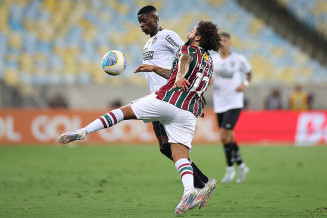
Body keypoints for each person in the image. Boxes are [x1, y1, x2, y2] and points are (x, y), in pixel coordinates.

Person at [58, 21, 222, 215]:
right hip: (188, 112)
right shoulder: (209, 62)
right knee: (180, 157)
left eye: (193, 30)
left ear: (198, 37)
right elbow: (178, 74)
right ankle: (190, 190)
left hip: (167, 100)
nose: (189, 31)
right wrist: (156, 69)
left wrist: (179, 77)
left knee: (122, 113)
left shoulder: (188, 49)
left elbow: (183, 62)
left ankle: (83, 131)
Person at [135, 5, 215, 202]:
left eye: (144, 21)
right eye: (139, 22)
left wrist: (183, 78)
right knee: (164, 147)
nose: (142, 25)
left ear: (155, 18)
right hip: (157, 96)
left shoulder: (167, 35)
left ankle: (201, 184)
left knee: (173, 146)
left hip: (170, 98)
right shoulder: (148, 44)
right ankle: (203, 182)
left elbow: (185, 54)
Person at [211, 32, 252, 183]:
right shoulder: (213, 61)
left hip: (234, 102)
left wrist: (245, 84)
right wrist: (209, 81)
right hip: (220, 102)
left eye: (225, 41)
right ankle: (241, 165)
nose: (223, 43)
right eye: (220, 41)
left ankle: (230, 169)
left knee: (223, 134)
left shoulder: (238, 59)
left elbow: (249, 73)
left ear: (229, 42)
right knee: (228, 136)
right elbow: (209, 78)